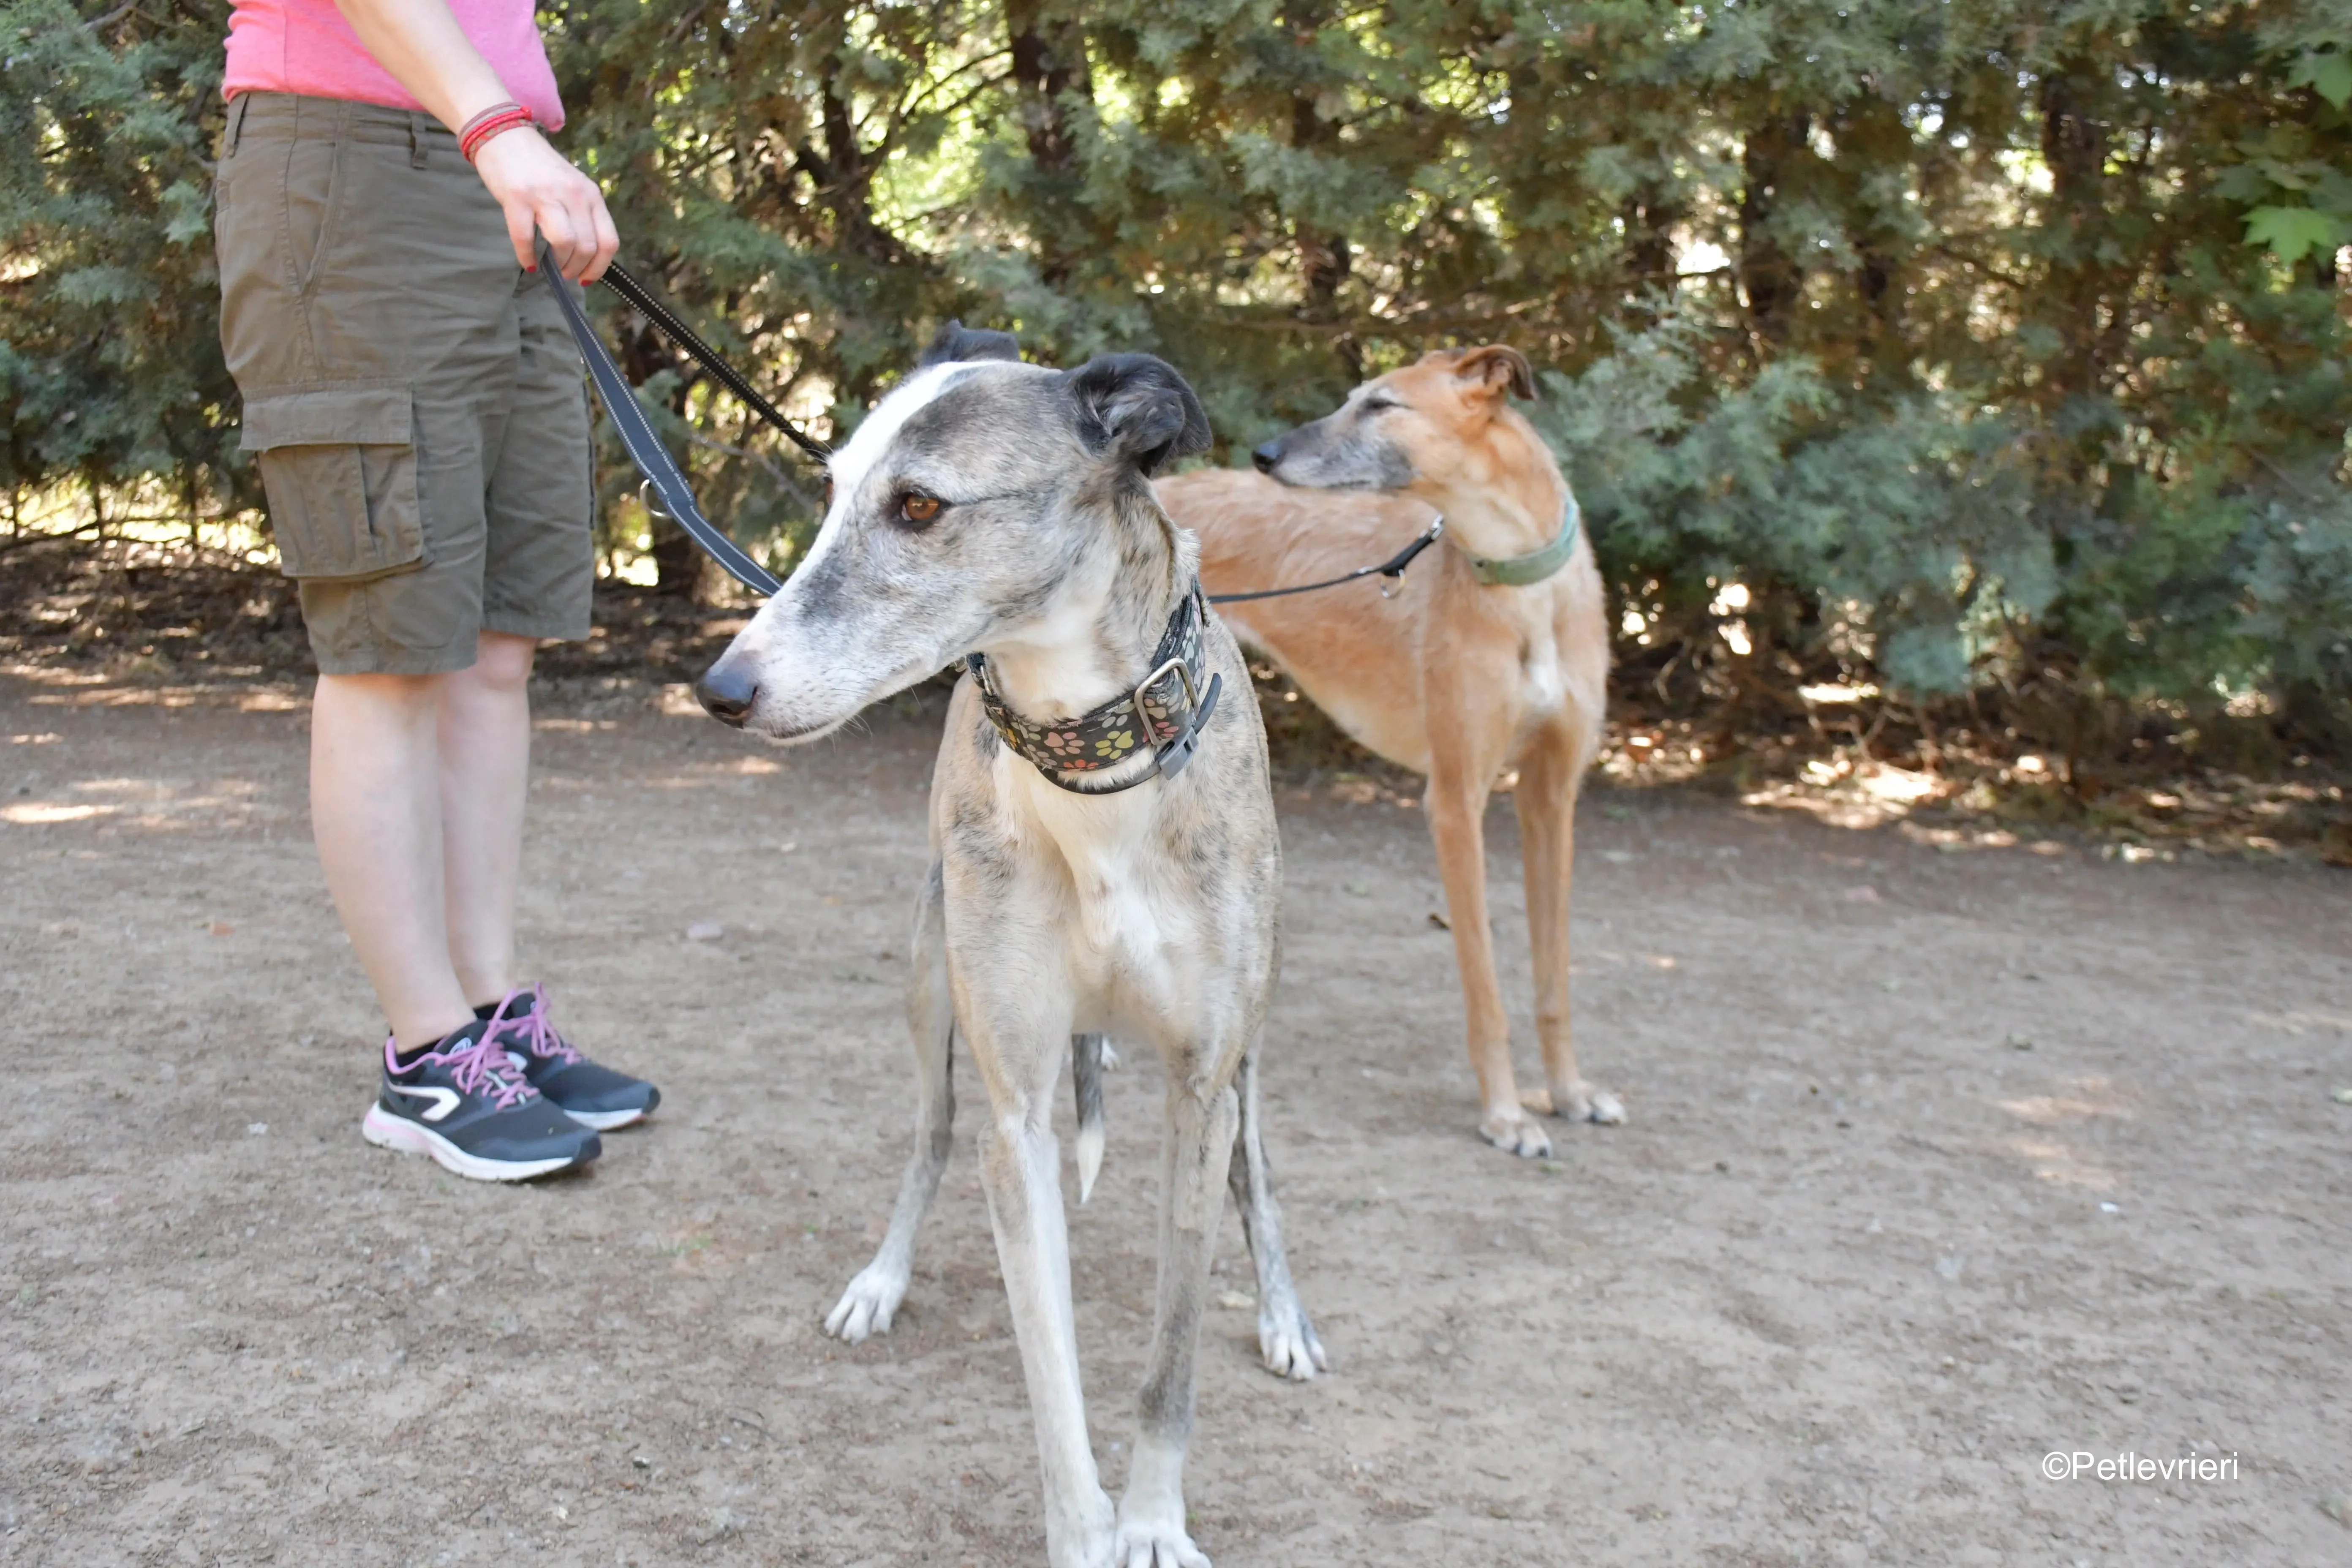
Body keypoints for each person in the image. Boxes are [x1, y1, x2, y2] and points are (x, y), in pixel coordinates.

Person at [215, 0, 657, 1181]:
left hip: (495, 165)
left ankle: (486, 1014)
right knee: (391, 640)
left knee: (498, 641)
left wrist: (515, 140)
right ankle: (423, 1057)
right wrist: (499, 128)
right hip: (360, 166)